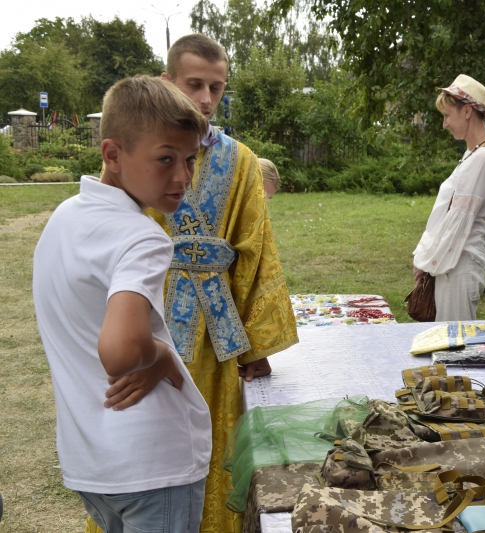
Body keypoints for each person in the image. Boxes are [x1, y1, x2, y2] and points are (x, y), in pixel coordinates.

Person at [86, 34, 299, 533]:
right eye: (194, 84)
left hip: (214, 331)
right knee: (141, 425)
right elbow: (109, 229)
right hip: (145, 316)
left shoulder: (241, 160)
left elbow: (255, 249)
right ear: (167, 82)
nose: (205, 99)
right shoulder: (136, 153)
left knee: (204, 434)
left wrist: (257, 347)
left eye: (216, 88)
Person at [32, 76, 212, 533]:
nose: (182, 176)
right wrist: (162, 354)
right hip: (152, 463)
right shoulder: (142, 236)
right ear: (113, 154)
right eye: (165, 158)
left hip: (91, 462)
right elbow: (120, 350)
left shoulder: (65, 219)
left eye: (190, 159)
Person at [413, 74, 485, 321]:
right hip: (453, 262)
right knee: (446, 342)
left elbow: (458, 220)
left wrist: (426, 261)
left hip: (461, 263)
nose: (444, 124)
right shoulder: (473, 154)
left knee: (455, 345)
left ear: (466, 111)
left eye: (446, 115)